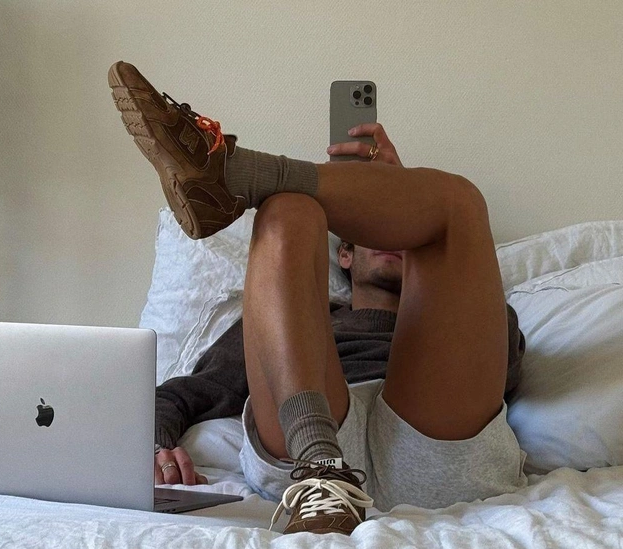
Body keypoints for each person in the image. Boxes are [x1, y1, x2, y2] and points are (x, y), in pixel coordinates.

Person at [107, 61, 528, 536]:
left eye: (393, 228)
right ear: (344, 254)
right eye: (370, 233)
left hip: (437, 442)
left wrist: (400, 202)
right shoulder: (280, 310)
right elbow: (181, 394)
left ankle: (234, 175)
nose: (387, 239)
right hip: (304, 456)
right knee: (286, 209)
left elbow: (504, 373)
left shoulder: (476, 313)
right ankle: (322, 467)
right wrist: (153, 446)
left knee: (459, 201)